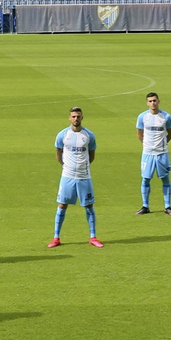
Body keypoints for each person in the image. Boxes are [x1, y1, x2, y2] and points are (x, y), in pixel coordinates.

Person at [49, 106, 103, 248]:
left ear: (82, 117)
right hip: (67, 176)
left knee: (89, 206)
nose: (76, 119)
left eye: (78, 116)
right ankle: (56, 237)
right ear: (69, 118)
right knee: (62, 205)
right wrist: (65, 166)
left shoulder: (89, 135)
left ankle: (93, 237)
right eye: (73, 116)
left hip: (84, 176)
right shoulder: (62, 135)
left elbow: (91, 155)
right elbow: (58, 151)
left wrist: (82, 166)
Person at [135, 92, 171, 216]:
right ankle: (145, 206)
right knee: (146, 179)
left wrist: (161, 145)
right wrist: (148, 146)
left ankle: (167, 206)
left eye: (154, 100)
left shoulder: (166, 117)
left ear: (158, 101)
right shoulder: (142, 117)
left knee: (165, 179)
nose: (153, 103)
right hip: (147, 153)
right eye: (150, 101)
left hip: (162, 153)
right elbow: (139, 134)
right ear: (147, 103)